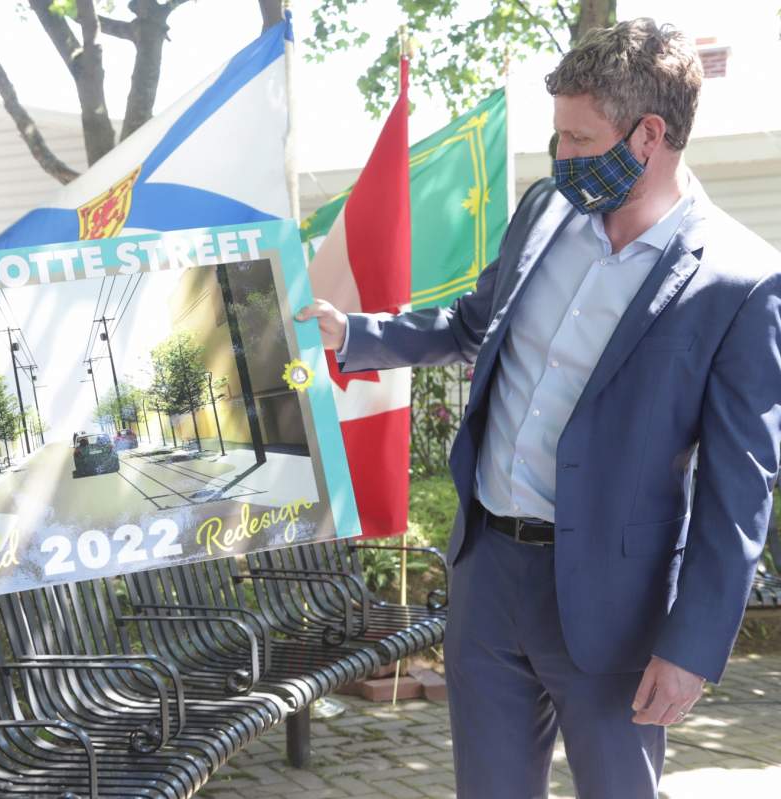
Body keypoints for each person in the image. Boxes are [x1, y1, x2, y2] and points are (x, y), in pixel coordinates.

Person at [298, 18, 781, 799]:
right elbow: (469, 325)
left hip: (614, 612)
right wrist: (356, 333)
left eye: (578, 139)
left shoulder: (742, 281)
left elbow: (740, 487)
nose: (560, 158)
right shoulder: (543, 211)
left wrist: (691, 647)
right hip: (487, 578)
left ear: (649, 134)